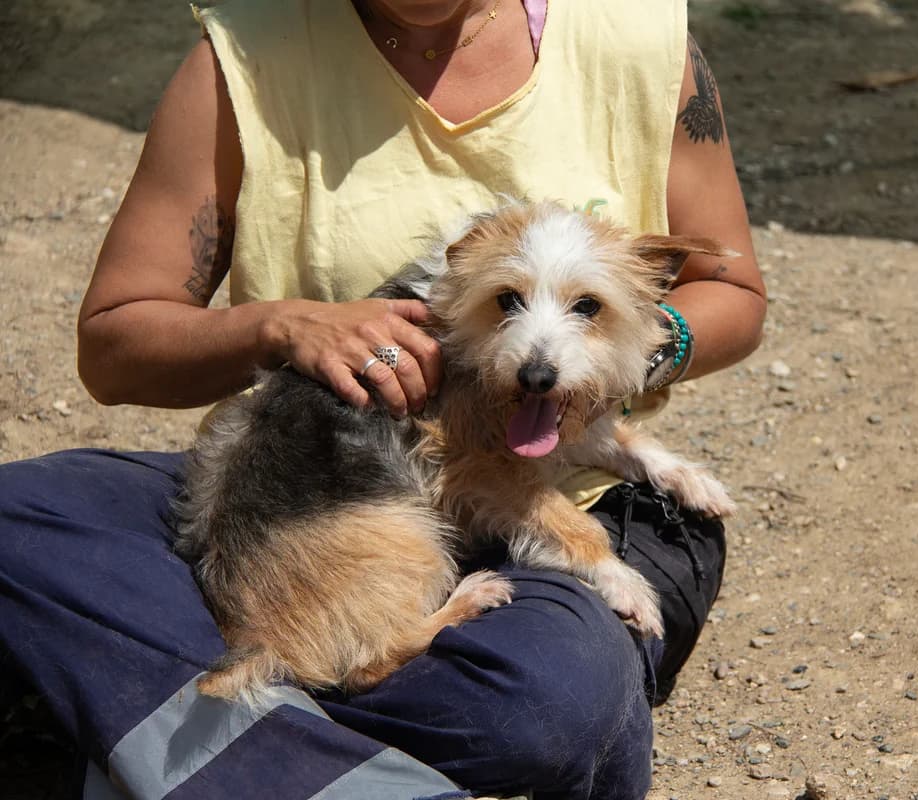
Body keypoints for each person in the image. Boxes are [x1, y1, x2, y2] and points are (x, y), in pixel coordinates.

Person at [0, 0, 766, 797]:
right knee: (16, 518)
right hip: (307, 473)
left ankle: (181, 721)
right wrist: (279, 327)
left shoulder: (636, 38)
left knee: (541, 701)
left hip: (579, 497)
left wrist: (629, 353)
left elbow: (734, 292)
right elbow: (115, 345)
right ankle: (318, 744)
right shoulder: (242, 60)